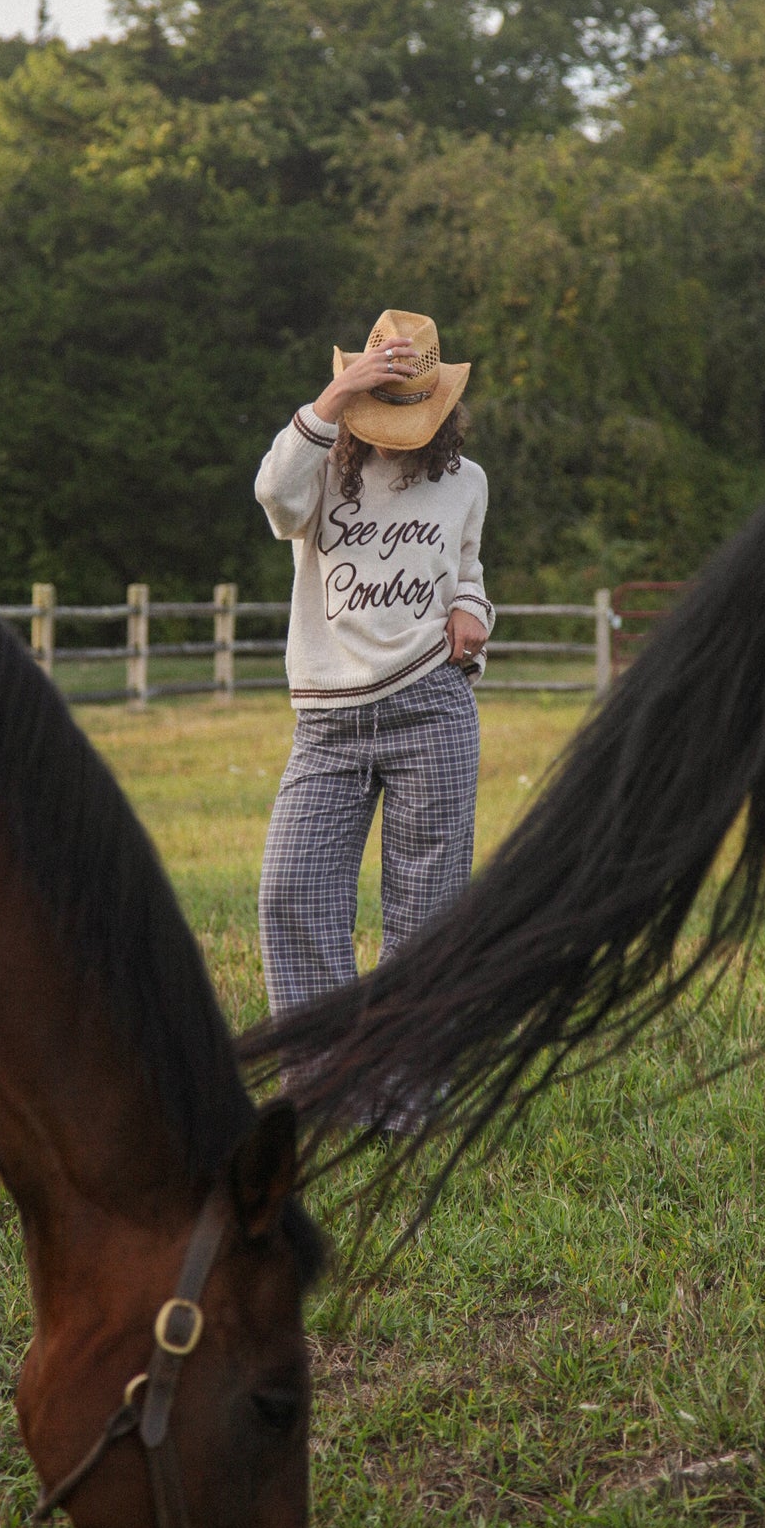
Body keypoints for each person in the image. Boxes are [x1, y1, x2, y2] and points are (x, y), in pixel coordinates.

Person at [254, 309, 494, 1042]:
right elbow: (271, 497)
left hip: (432, 705)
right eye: (375, 400)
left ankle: (401, 1087)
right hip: (328, 720)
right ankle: (324, 1076)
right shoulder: (318, 470)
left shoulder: (465, 481)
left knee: (424, 915)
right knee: (292, 893)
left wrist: (471, 608)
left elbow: (466, 567)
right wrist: (330, 401)